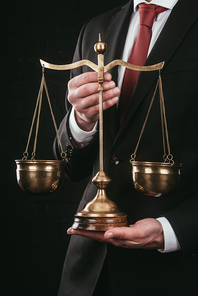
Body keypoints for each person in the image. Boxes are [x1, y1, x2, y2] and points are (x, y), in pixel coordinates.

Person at [53, 0, 198, 295]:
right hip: (87, 270)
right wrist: (81, 121)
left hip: (176, 272)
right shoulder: (96, 28)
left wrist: (171, 230)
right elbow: (71, 167)